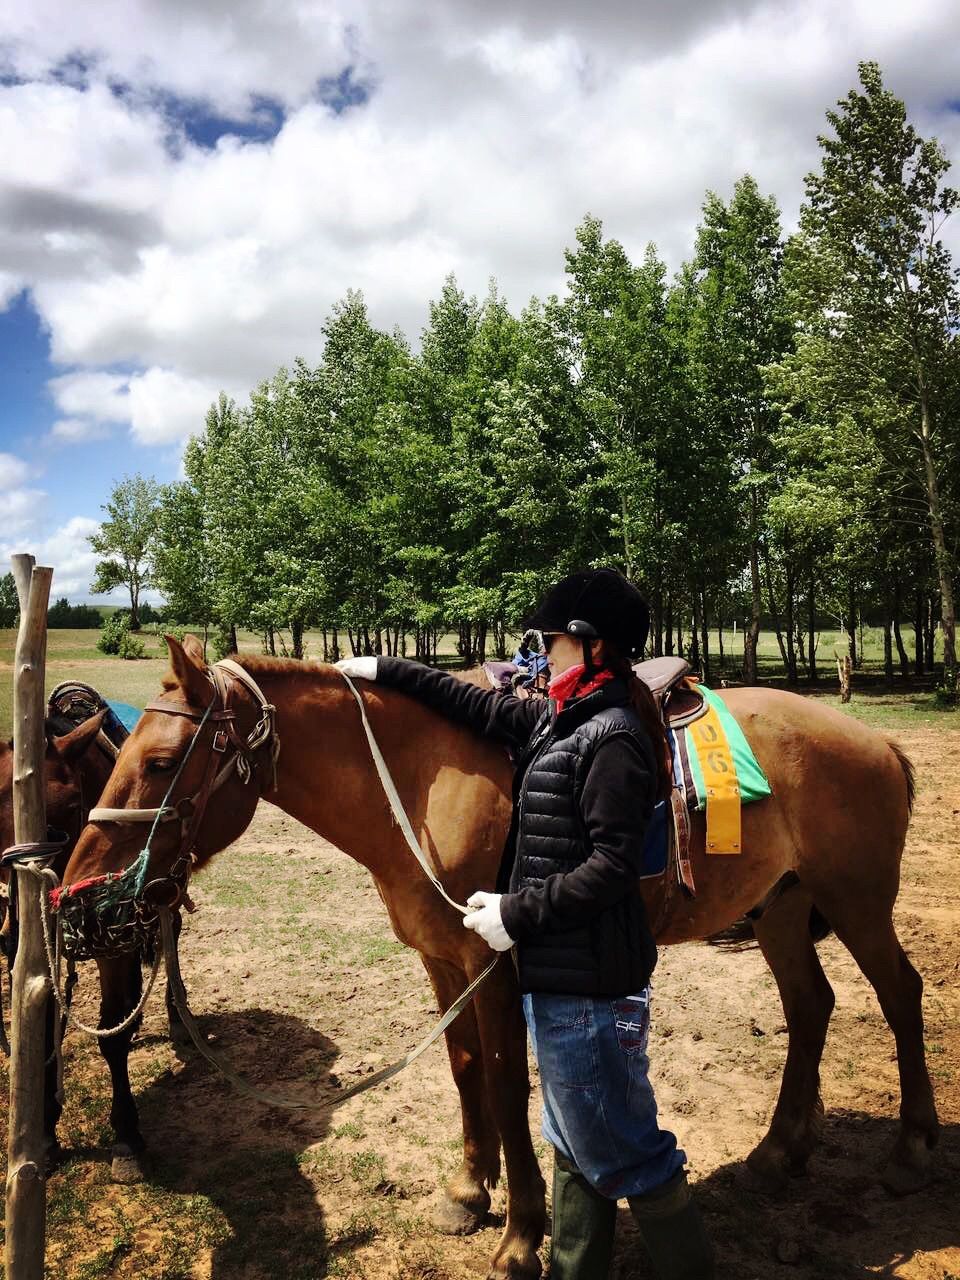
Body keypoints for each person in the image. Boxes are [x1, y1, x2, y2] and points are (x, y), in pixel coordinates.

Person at [337, 568, 714, 1280]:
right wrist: (383, 670)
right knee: (572, 1140)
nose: (542, 652)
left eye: (553, 641)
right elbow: (471, 706)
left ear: (593, 647)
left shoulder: (613, 740)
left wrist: (516, 911)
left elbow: (611, 869)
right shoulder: (558, 718)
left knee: (629, 1149)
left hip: (597, 986)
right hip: (563, 977)